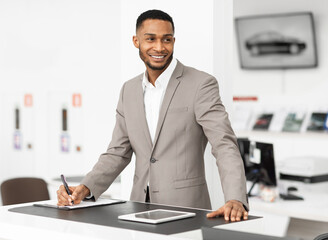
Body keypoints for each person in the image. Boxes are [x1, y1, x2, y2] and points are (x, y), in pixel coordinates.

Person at [57, 9, 249, 222]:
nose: (159, 47)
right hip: (138, 209)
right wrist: (85, 188)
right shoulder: (128, 90)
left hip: (186, 210)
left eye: (166, 40)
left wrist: (236, 198)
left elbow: (224, 144)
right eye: (150, 39)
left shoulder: (201, 84)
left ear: (174, 41)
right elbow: (118, 152)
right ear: (136, 41)